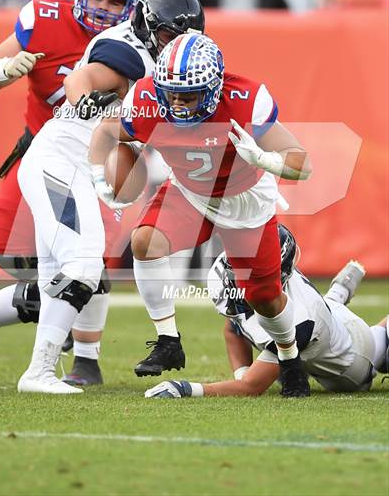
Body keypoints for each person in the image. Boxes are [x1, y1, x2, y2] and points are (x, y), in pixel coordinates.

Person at [89, 33, 313, 397]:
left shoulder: (245, 99)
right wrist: (101, 177)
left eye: (187, 95)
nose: (176, 103)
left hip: (245, 201)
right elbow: (106, 133)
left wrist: (265, 159)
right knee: (144, 241)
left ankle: (289, 357)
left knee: (264, 298)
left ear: (212, 89)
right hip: (190, 194)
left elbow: (303, 165)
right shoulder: (147, 99)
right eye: (170, 93)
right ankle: (168, 339)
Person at [16, 0, 205, 394]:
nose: (176, 45)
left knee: (58, 274)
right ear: (149, 25)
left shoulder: (162, 58)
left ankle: (36, 368)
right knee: (83, 263)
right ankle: (39, 373)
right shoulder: (129, 51)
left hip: (76, 166)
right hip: (61, 160)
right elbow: (85, 77)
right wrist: (84, 99)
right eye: (171, 35)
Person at [0, 0, 137, 386]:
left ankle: (86, 359)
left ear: (131, 9)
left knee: (89, 260)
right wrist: (6, 69)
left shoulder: (133, 44)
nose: (101, 7)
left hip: (97, 158)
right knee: (9, 252)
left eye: (113, 1)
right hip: (42, 151)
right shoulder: (44, 19)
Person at [145, 225, 387, 398]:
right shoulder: (221, 276)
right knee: (318, 321)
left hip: (352, 357)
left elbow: (252, 387)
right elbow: (233, 328)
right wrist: (241, 374)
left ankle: (339, 296)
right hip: (324, 320)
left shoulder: (300, 320)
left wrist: (186, 389)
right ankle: (337, 294)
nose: (242, 279)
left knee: (380, 343)